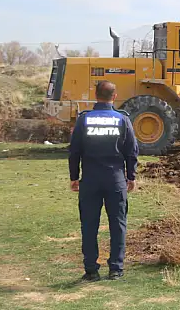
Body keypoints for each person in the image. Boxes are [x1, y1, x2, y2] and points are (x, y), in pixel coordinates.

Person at [69, 81, 139, 282]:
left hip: (90, 179)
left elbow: (74, 151)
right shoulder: (122, 119)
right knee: (118, 224)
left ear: (95, 95)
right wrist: (131, 176)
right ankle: (116, 268)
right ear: (114, 97)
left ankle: (91, 270)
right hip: (115, 179)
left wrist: (74, 177)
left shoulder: (84, 120)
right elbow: (132, 151)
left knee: (89, 224)